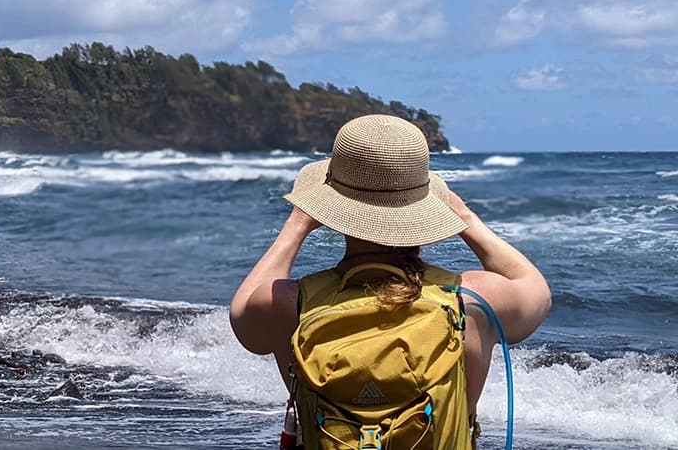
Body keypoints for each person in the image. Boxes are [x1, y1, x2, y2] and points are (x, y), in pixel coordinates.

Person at [229, 115, 551, 448]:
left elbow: (242, 317)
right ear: (426, 208)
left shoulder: (287, 305)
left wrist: (296, 226)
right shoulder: (470, 300)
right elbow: (537, 293)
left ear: (330, 207)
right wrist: (466, 219)